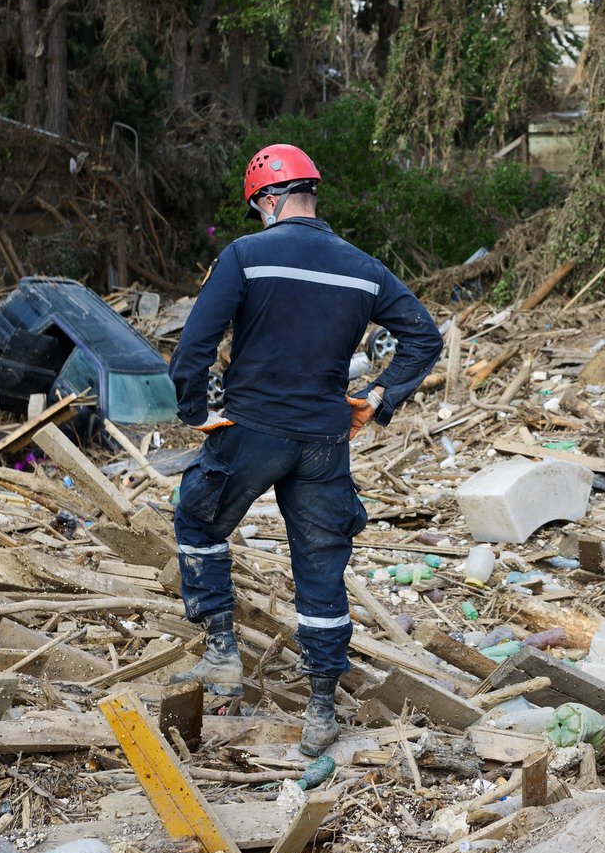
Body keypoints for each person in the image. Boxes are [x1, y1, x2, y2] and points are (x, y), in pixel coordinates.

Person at [166, 143, 444, 756]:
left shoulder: (245, 255)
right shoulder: (362, 267)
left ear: (267, 199)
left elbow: (192, 350)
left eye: (257, 204)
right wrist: (377, 396)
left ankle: (221, 654)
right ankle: (321, 708)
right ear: (309, 193)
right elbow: (424, 337)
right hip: (324, 439)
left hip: (251, 430)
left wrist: (197, 413)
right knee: (321, 567)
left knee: (198, 520)